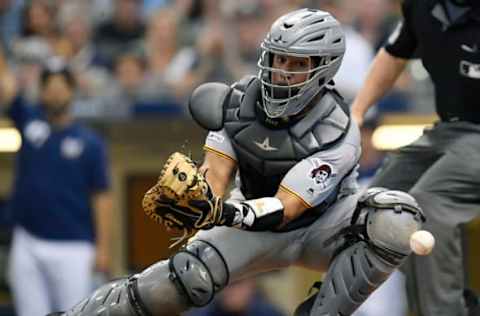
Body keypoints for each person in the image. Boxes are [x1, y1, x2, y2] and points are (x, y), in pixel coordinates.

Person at [51, 8, 425, 316]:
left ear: (324, 68)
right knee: (184, 277)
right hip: (252, 226)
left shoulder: (338, 130)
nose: (281, 71)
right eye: (278, 59)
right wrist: (204, 202)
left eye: (295, 64)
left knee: (395, 217)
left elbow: (289, 206)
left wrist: (226, 213)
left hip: (324, 225)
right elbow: (216, 173)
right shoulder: (237, 102)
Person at [350, 1, 480, 315]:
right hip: (448, 128)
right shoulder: (422, 5)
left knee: (426, 202)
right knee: (374, 204)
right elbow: (394, 54)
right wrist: (356, 112)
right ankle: (337, 303)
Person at [0, 58, 113, 316]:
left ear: (72, 91)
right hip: (27, 240)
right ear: (41, 92)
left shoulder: (90, 143)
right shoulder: (31, 124)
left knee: (75, 313)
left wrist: (104, 248)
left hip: (73, 245)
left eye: (61, 86)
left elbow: (102, 197)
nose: (54, 91)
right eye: (48, 86)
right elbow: (6, 86)